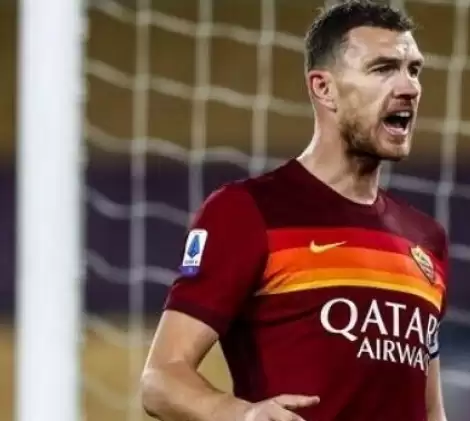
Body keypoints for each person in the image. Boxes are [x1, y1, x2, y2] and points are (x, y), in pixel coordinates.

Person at [140, 1, 450, 420]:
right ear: (323, 88)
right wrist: (242, 415)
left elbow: (430, 410)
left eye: (413, 70)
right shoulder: (249, 212)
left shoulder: (426, 239)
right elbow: (160, 379)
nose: (409, 87)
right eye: (383, 69)